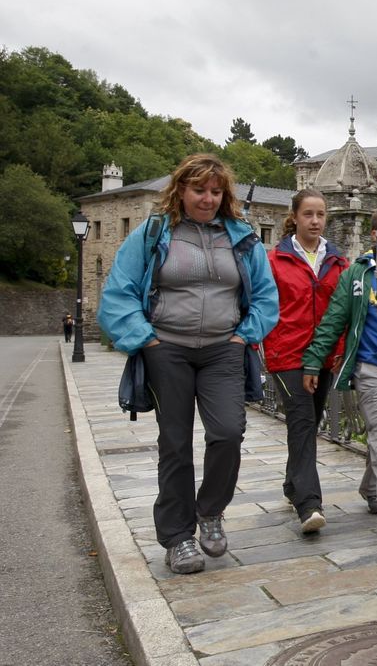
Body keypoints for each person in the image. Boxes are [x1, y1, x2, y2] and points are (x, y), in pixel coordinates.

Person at [97, 153, 279, 575]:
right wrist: (147, 339)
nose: (208, 198)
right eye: (200, 189)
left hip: (223, 349)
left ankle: (211, 511)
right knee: (175, 444)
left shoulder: (241, 237)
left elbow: (267, 295)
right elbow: (119, 290)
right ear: (180, 189)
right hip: (168, 350)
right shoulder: (154, 233)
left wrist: (244, 335)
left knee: (228, 433)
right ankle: (177, 537)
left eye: (216, 191)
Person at [301, 227, 377, 539]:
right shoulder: (358, 275)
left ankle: (372, 487)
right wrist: (314, 359)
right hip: (373, 366)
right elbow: (335, 318)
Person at [263, 189, 348, 534]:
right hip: (287, 355)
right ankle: (309, 504)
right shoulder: (275, 260)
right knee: (301, 422)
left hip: (323, 355)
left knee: (310, 422)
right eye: (308, 214)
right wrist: (270, 345)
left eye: (321, 215)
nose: (315, 221)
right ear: (294, 217)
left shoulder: (337, 261)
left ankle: (291, 483)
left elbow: (342, 310)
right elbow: (265, 306)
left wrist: (339, 347)